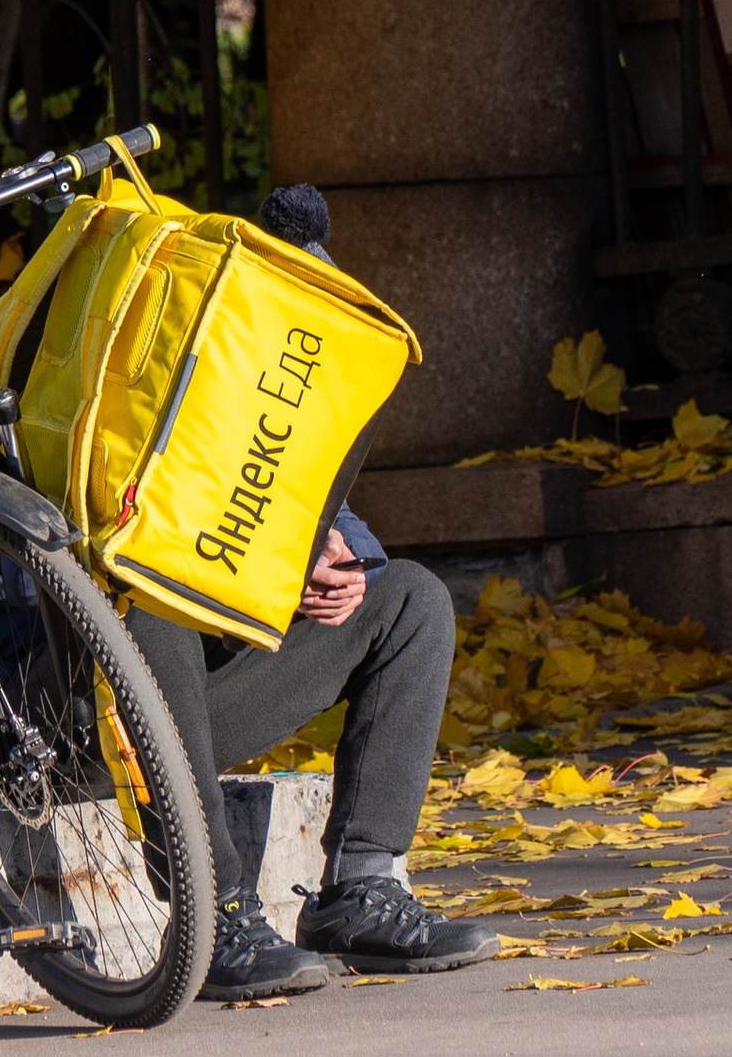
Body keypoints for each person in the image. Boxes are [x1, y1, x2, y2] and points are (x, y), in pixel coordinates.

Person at [122, 184, 494, 998]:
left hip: (212, 703)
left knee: (412, 602)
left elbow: (318, 509)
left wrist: (334, 561)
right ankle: (212, 912)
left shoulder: (270, 408)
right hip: (103, 716)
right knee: (150, 601)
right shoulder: (131, 392)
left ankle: (360, 890)